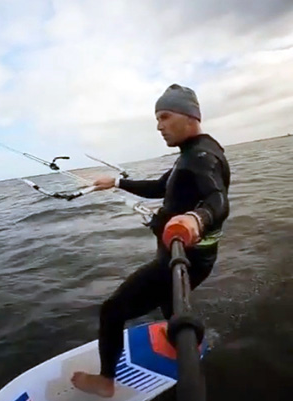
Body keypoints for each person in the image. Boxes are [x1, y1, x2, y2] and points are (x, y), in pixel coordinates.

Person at [71, 84, 231, 397]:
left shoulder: (201, 157)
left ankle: (106, 380)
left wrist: (196, 218)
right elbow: (161, 187)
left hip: (185, 258)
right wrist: (116, 183)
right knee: (168, 302)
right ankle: (182, 340)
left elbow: (218, 200)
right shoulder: (191, 153)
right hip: (185, 257)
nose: (159, 126)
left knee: (113, 309)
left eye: (164, 116)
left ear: (189, 116)